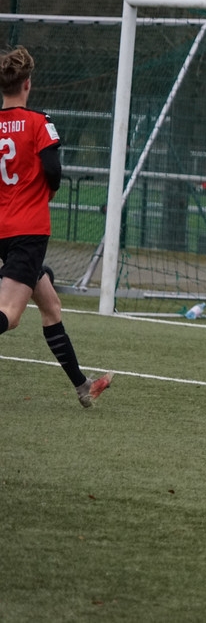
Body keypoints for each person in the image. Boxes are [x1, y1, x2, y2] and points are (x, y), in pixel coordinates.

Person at [0, 46, 113, 407]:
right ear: (28, 84)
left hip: (4, 227)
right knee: (10, 315)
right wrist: (44, 191)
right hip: (28, 229)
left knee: (50, 306)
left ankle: (83, 386)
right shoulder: (39, 121)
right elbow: (52, 169)